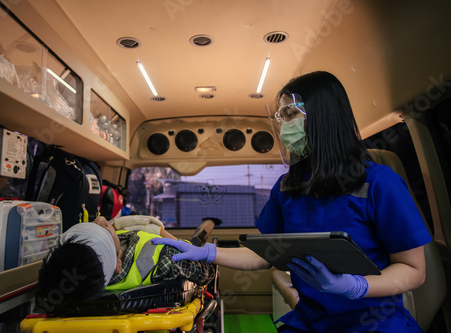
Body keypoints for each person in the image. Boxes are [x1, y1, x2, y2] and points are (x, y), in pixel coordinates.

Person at [153, 71, 432, 332]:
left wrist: (355, 286)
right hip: (311, 322)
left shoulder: (379, 183)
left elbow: (414, 270)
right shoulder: (288, 187)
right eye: (281, 117)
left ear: (324, 117)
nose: (284, 126)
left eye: (290, 115)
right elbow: (265, 255)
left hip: (374, 323)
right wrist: (208, 254)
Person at [37, 216, 215, 311]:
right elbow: (207, 272)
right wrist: (165, 235)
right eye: (104, 231)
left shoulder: (88, 278)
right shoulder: (165, 259)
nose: (100, 220)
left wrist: (114, 229)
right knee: (197, 244)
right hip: (178, 247)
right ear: (118, 264)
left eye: (91, 223)